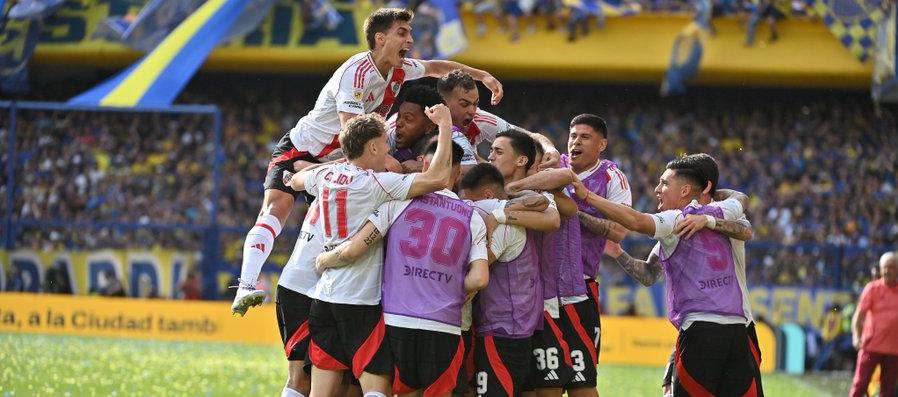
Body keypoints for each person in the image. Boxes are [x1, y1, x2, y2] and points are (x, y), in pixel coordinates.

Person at [232, 7, 505, 315]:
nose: (410, 40)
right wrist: (388, 164)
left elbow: (435, 67)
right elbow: (354, 135)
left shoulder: (400, 70)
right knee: (275, 210)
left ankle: (327, 292)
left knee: (343, 222)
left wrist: (481, 76)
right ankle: (246, 286)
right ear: (380, 38)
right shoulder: (356, 73)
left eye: (410, 33)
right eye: (402, 33)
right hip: (303, 151)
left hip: (337, 160)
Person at [286, 105, 456, 397]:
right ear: (374, 146)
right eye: (386, 142)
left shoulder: (326, 177)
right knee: (376, 387)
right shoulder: (375, 183)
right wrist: (444, 126)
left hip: (324, 296)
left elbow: (297, 180)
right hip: (358, 300)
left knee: (320, 391)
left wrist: (323, 169)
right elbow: (438, 178)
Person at [570, 153, 761, 397]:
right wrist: (618, 253)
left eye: (665, 183)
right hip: (727, 331)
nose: (657, 189)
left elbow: (635, 221)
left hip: (716, 331)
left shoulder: (680, 219)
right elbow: (649, 274)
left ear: (686, 190)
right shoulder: (705, 217)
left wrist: (585, 198)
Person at [316, 140, 490, 397]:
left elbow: (354, 249)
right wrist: (447, 288)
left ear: (425, 165)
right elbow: (479, 279)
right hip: (445, 325)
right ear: (457, 174)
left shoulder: (397, 202)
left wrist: (323, 260)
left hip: (397, 320)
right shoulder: (472, 216)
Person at [436, 70, 560, 170]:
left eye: (475, 104)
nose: (472, 111)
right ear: (444, 103)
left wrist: (550, 149)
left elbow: (532, 137)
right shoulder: (425, 120)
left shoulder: (480, 119)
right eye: (464, 104)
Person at [385, 84, 477, 172]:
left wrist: (423, 166)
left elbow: (469, 172)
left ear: (429, 128)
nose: (399, 123)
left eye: (408, 119)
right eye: (399, 116)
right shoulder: (393, 135)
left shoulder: (453, 137)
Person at [849, 251, 898, 397]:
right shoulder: (872, 288)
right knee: (860, 383)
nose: (887, 271)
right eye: (885, 267)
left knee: (887, 390)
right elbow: (858, 316)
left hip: (894, 350)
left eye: (891, 267)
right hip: (871, 347)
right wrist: (856, 337)